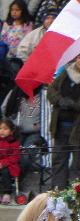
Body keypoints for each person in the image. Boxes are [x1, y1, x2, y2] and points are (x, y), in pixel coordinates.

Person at [46, 55, 80, 190]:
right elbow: (51, 90)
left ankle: (74, 195)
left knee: (77, 164)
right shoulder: (66, 73)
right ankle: (58, 193)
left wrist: (74, 105)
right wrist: (59, 100)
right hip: (61, 126)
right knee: (59, 161)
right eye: (78, 58)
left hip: (78, 130)